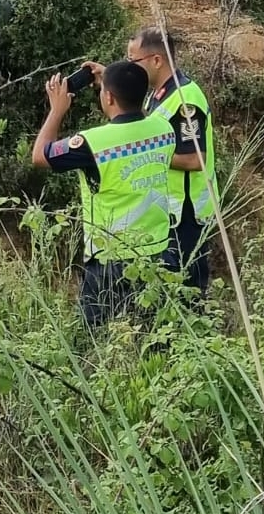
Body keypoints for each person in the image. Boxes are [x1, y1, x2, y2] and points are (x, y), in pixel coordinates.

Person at [32, 61, 176, 327]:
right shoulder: (164, 131)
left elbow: (41, 155)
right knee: (152, 340)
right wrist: (114, 82)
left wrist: (56, 110)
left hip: (111, 261)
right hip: (158, 254)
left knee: (93, 339)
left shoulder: (93, 143)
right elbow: (135, 119)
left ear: (108, 96)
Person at [87, 28, 217, 298]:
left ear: (156, 61)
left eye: (133, 61)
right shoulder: (157, 94)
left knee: (187, 292)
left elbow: (195, 159)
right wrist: (112, 81)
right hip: (168, 212)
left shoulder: (184, 101)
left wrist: (147, 155)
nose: (129, 66)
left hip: (188, 214)